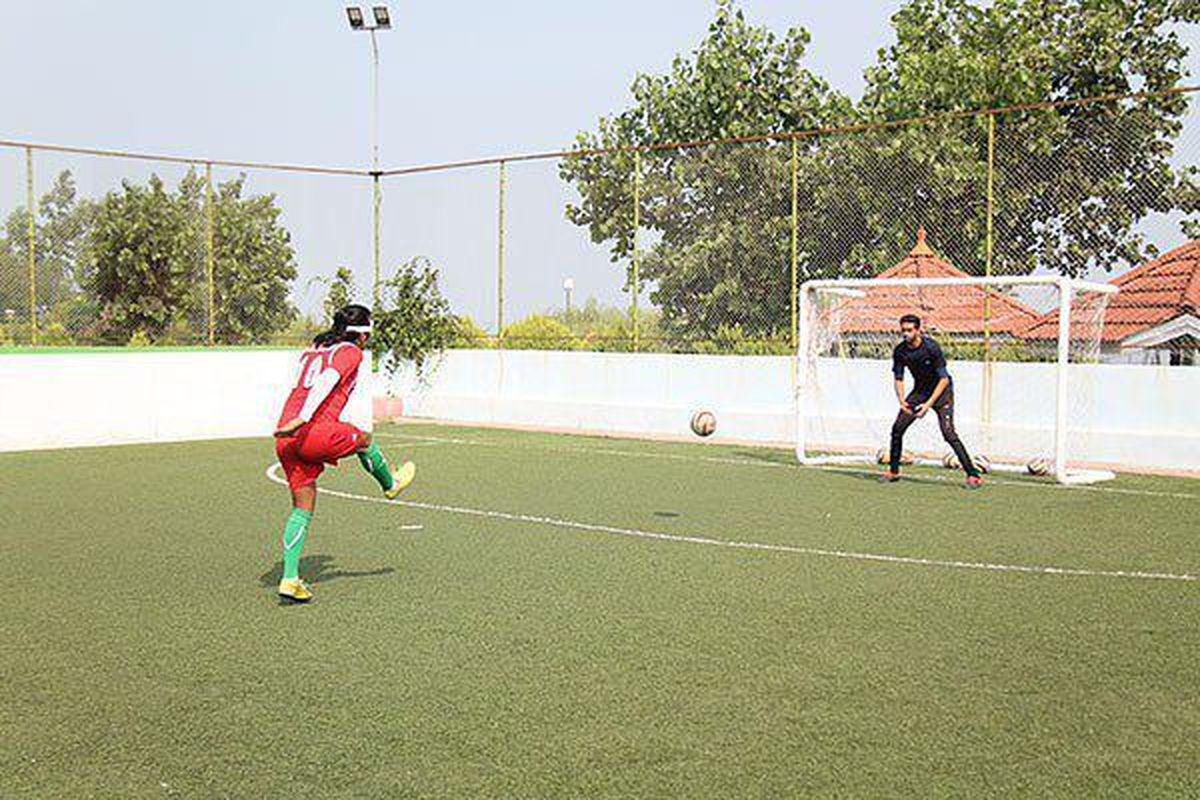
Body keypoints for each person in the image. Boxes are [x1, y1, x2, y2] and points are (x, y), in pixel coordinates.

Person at [273, 304, 416, 602]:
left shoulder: (315, 348)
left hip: (285, 436)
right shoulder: (351, 352)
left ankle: (289, 578)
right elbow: (324, 383)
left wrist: (294, 420)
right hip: (311, 430)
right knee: (364, 438)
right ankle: (390, 485)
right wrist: (304, 418)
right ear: (363, 335)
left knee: (302, 505)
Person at [880, 313, 982, 489]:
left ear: (918, 330)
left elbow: (943, 379)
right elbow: (898, 378)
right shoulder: (900, 351)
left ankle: (973, 475)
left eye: (910, 330)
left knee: (948, 433)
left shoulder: (931, 347)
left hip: (942, 393)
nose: (906, 333)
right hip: (920, 392)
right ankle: (894, 471)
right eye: (903, 330)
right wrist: (902, 401)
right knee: (897, 429)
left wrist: (928, 405)